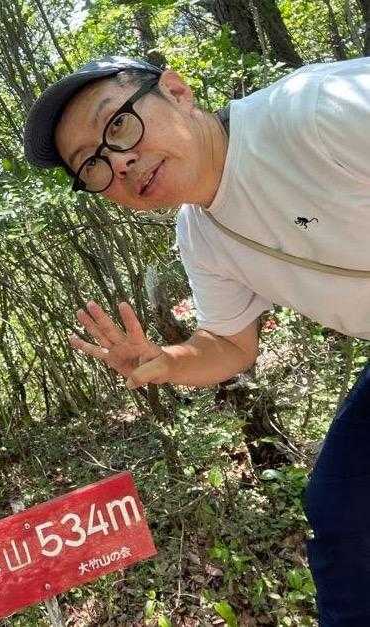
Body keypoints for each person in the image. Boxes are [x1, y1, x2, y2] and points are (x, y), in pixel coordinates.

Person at [24, 55, 370, 625]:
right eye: (92, 164)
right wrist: (165, 362)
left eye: (118, 124)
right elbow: (231, 345)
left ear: (177, 92)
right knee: (344, 514)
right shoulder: (200, 236)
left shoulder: (312, 112)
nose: (119, 161)